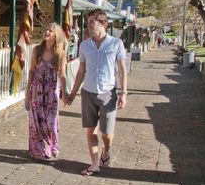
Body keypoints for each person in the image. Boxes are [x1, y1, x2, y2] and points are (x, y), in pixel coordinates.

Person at [66, 9, 128, 176]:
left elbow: (122, 69)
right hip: (88, 92)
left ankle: (106, 151)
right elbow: (81, 71)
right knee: (90, 130)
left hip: (108, 93)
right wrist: (73, 92)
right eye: (88, 21)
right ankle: (94, 164)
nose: (89, 24)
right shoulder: (85, 45)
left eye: (92, 21)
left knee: (107, 133)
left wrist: (123, 92)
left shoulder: (116, 44)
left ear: (102, 22)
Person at [25, 22, 67, 161]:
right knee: (36, 121)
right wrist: (27, 90)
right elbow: (31, 70)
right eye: (46, 30)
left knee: (50, 121)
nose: (47, 32)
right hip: (37, 90)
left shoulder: (60, 53)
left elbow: (62, 74)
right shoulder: (37, 50)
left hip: (51, 92)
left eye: (50, 31)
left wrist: (65, 93)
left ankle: (51, 144)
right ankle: (39, 150)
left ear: (56, 35)